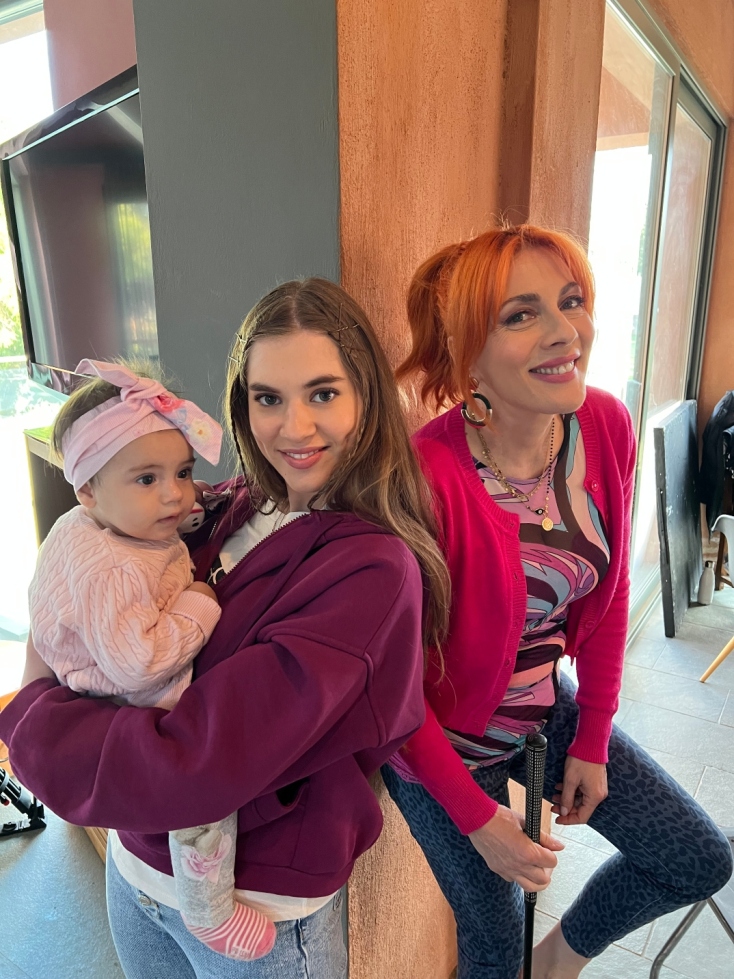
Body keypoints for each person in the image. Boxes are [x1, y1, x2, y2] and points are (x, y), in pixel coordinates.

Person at [2, 278, 450, 979]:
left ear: (366, 395)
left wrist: (32, 714)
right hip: (136, 869)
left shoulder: (369, 571)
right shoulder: (229, 505)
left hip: (256, 910)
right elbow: (88, 601)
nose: (293, 428)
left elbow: (196, 759)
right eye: (268, 397)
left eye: (322, 393)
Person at [383, 224, 733, 979]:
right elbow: (390, 691)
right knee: (492, 945)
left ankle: (551, 966)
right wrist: (478, 820)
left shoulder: (603, 425)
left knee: (696, 857)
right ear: (466, 352)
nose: (565, 331)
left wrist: (593, 736)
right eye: (521, 315)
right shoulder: (423, 477)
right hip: (441, 749)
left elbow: (609, 594)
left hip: (544, 706)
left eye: (571, 302)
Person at [30, 357, 278, 962]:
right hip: (128, 684)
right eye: (147, 479)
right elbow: (139, 663)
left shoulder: (97, 524)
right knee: (199, 782)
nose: (175, 494)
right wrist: (199, 603)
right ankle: (208, 907)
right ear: (88, 489)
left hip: (97, 657)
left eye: (183, 472)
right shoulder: (112, 567)